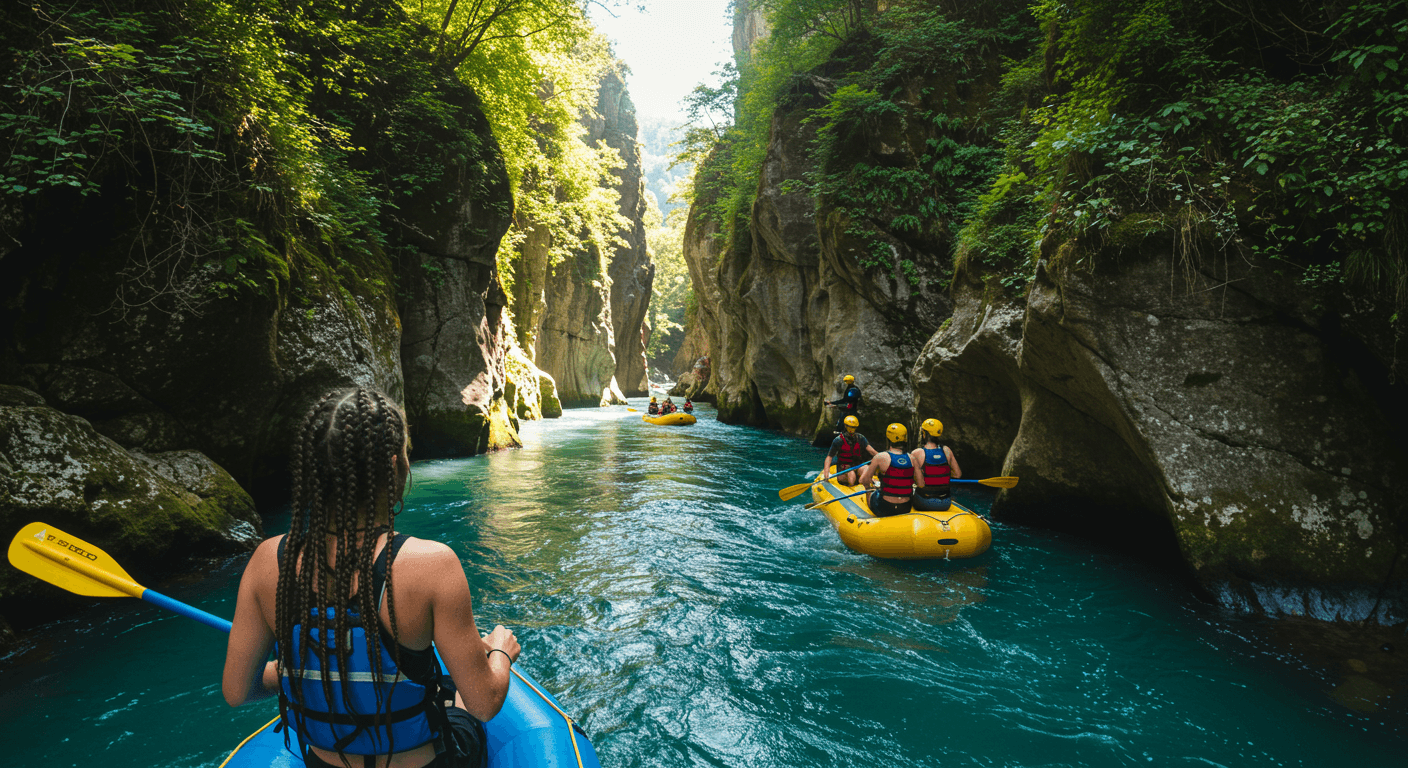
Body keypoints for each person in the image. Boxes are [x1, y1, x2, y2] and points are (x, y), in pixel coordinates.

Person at [222, 388, 518, 768]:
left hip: (324, 763)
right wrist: (499, 652)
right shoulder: (433, 564)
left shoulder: (268, 560)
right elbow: (485, 701)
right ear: (394, 463)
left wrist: (289, 670)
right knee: (457, 701)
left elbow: (237, 691)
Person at [858, 423, 924, 517]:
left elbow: (864, 480)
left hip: (884, 508)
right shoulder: (912, 459)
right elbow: (921, 484)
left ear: (888, 438)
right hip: (905, 508)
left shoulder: (880, 457)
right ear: (905, 438)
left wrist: (869, 487)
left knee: (871, 491)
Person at [911, 418, 962, 512]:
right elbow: (957, 474)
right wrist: (941, 472)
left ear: (924, 434)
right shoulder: (947, 450)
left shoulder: (917, 453)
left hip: (924, 502)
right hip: (945, 503)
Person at [822, 415, 877, 487]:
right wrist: (826, 472)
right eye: (851, 427)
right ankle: (852, 488)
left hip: (857, 466)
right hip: (844, 470)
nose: (852, 429)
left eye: (854, 427)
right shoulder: (839, 440)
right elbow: (829, 457)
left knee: (866, 467)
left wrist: (884, 457)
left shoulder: (860, 437)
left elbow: (872, 451)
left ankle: (862, 481)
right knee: (851, 475)